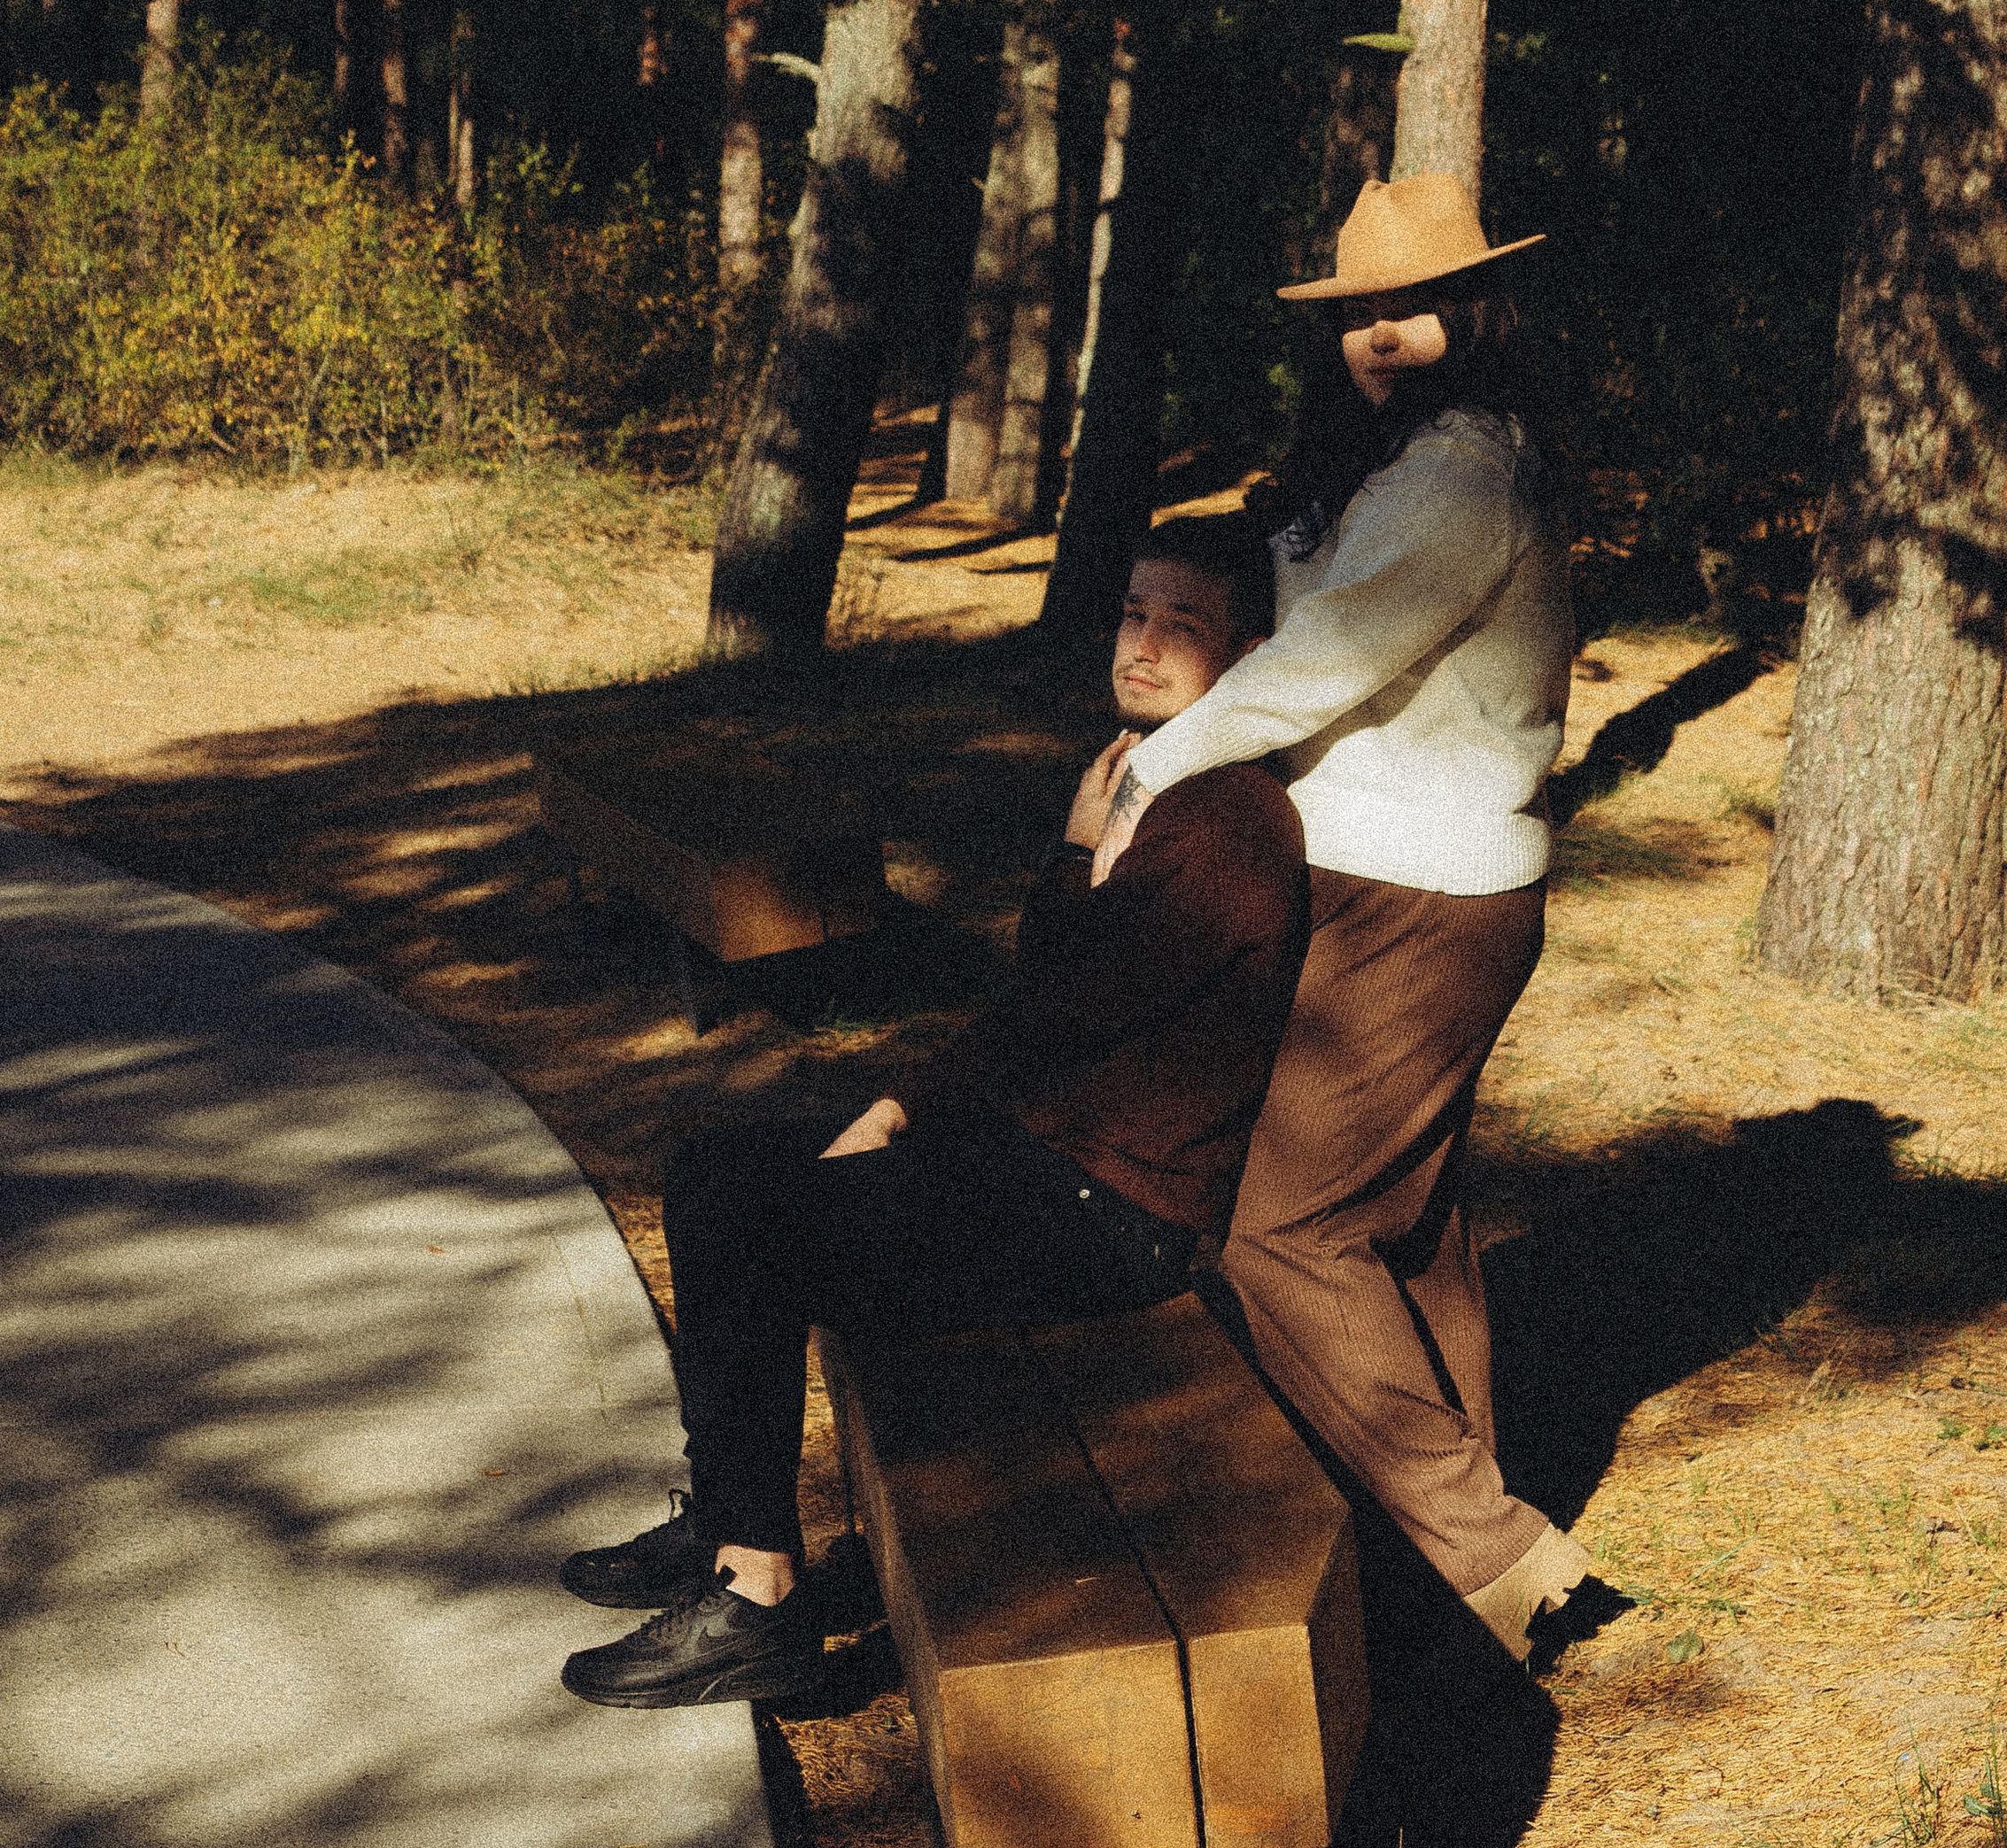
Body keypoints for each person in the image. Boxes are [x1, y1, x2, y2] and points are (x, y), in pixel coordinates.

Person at [556, 512, 1300, 1713]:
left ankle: (756, 1599)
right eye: (1133, 613)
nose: (1146, 644)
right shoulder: (1160, 781)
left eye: (1185, 626)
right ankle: (726, 1525)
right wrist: (910, 1097)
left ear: (1253, 656)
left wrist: (1058, 871)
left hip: (1111, 1210)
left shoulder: (1228, 823)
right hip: (1044, 1157)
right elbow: (1053, 1007)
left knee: (756, 1219)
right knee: (713, 1173)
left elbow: (1064, 1009)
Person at [1091, 171, 1592, 1661]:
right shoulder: (1400, 462)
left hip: (1423, 885)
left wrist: (1150, 776)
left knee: (1278, 1226)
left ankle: (1499, 1562)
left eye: (1415, 308)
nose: (1385, 334)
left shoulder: (1459, 474)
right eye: (1364, 313)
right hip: (1385, 871)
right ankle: (1446, 1551)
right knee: (1402, 1223)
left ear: (1478, 315)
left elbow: (1328, 663)